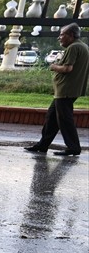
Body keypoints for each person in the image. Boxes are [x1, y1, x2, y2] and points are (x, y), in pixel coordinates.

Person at [25, 23, 88, 157]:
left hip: (66, 90)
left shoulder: (74, 47)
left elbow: (67, 68)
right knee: (52, 118)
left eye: (62, 34)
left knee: (65, 120)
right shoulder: (83, 46)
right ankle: (42, 145)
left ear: (71, 35)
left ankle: (74, 147)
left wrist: (53, 66)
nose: (59, 38)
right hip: (67, 89)